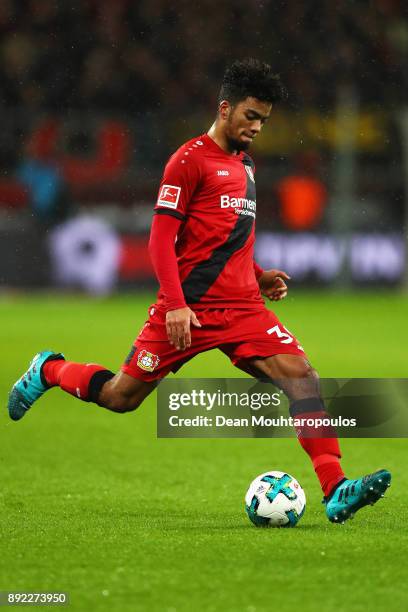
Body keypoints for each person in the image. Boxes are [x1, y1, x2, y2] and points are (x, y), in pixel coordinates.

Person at [8, 58, 390, 523]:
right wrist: (174, 305)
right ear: (225, 108)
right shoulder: (187, 161)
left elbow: (225, 239)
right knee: (120, 397)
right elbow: (160, 238)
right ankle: (49, 370)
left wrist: (259, 272)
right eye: (251, 116)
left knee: (301, 375)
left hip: (243, 309)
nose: (256, 127)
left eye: (264, 121)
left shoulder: (246, 165)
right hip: (187, 310)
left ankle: (336, 488)